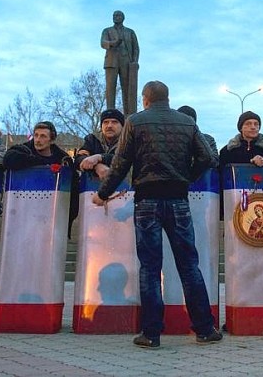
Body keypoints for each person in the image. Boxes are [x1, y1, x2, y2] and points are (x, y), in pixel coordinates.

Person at [91, 80, 221, 349]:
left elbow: (120, 164)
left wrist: (102, 193)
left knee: (150, 268)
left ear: (145, 99)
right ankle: (205, 329)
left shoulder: (136, 122)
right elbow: (207, 158)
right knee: (189, 265)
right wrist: (186, 179)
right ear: (168, 98)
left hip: (147, 200)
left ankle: (151, 334)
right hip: (178, 200)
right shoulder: (187, 122)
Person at [218, 110, 263, 220]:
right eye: (248, 124)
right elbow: (221, 175)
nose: (253, 127)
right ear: (241, 128)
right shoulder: (227, 151)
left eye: (256, 124)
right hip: (235, 200)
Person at [73, 108, 126, 238]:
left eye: (114, 122)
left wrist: (99, 157)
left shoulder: (129, 140)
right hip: (93, 200)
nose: (109, 126)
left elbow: (125, 159)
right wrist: (97, 166)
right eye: (106, 122)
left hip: (124, 199)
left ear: (122, 125)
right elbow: (79, 160)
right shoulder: (92, 140)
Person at [101, 10, 140, 116]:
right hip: (111, 62)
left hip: (126, 63)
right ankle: (110, 114)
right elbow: (103, 43)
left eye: (118, 15)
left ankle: (129, 116)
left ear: (123, 18)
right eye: (114, 15)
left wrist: (135, 62)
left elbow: (136, 48)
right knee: (110, 89)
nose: (115, 17)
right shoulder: (107, 30)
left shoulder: (130, 32)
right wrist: (114, 43)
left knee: (127, 89)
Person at [3, 121, 71, 170]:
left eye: (43, 136)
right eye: (36, 135)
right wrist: (41, 163)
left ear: (51, 139)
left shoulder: (63, 158)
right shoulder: (24, 149)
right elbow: (8, 159)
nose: (38, 140)